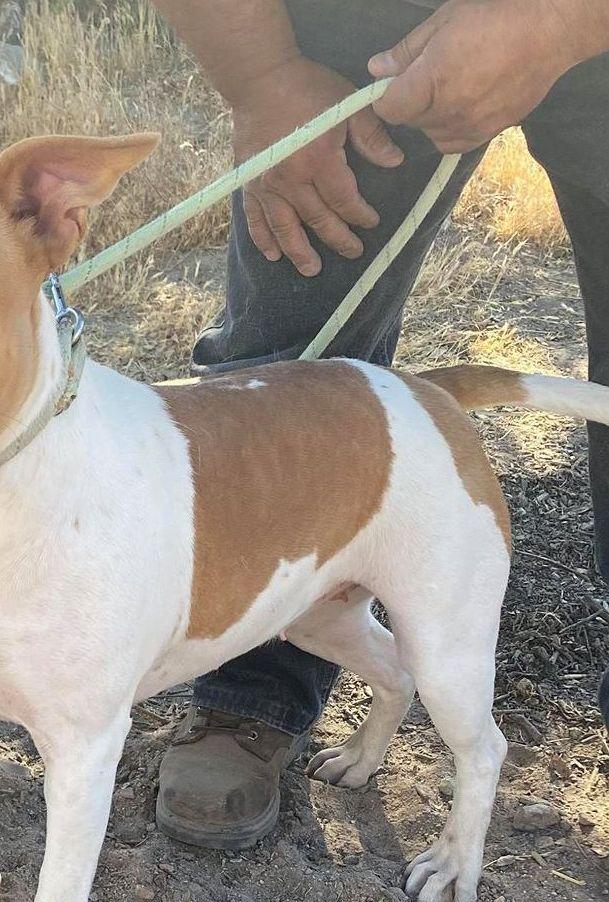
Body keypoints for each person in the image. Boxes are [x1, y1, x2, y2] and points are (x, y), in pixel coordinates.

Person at [151, 0, 609, 850]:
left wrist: (562, 22)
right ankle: (253, 687)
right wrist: (261, 79)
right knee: (287, 363)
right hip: (356, 36)